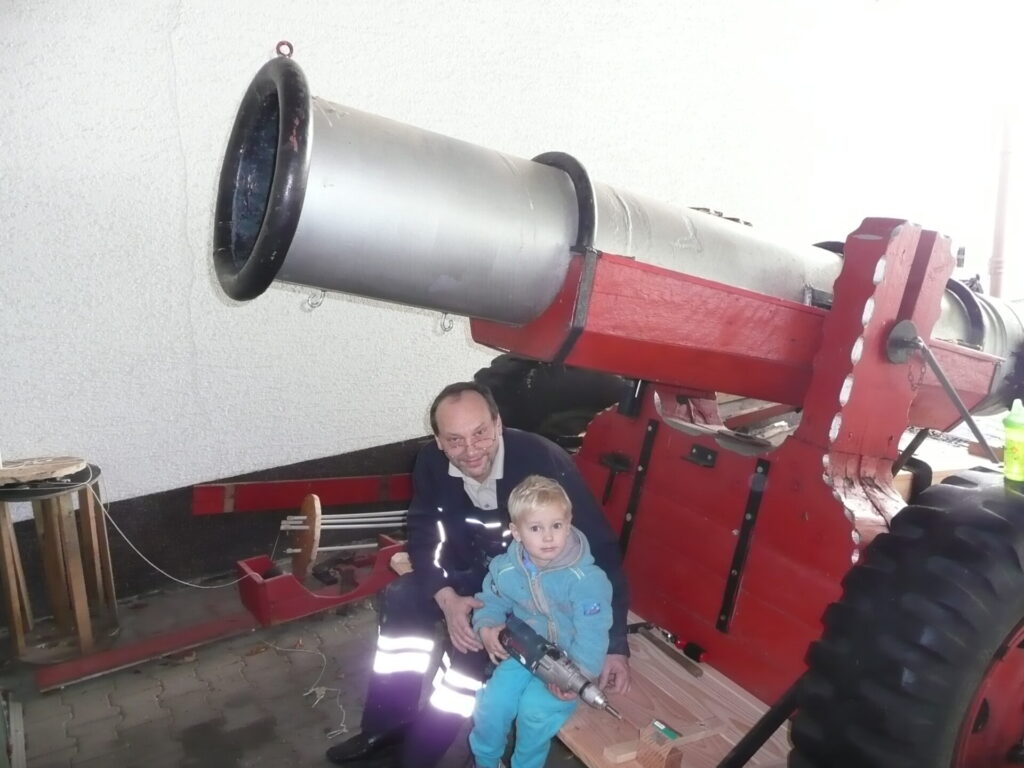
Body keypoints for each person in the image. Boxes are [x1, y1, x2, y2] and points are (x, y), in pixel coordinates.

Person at [325, 381, 630, 768]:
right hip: (466, 573)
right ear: (439, 441)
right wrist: (445, 596)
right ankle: (386, 727)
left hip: (525, 587)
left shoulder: (541, 460)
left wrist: (616, 645)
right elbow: (423, 533)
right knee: (401, 598)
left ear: (498, 424)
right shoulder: (430, 463)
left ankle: (423, 750)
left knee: (469, 651)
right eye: (455, 440)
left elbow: (600, 548)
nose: (470, 450)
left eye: (480, 433)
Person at [469, 475, 612, 768]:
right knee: (492, 705)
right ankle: (486, 761)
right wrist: (486, 627)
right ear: (516, 532)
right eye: (535, 528)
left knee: (534, 713)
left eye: (556, 526)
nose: (548, 537)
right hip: (525, 650)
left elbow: (594, 632)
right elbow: (491, 600)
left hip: (569, 663)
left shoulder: (586, 579)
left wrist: (578, 677)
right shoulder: (505, 568)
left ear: (569, 524)